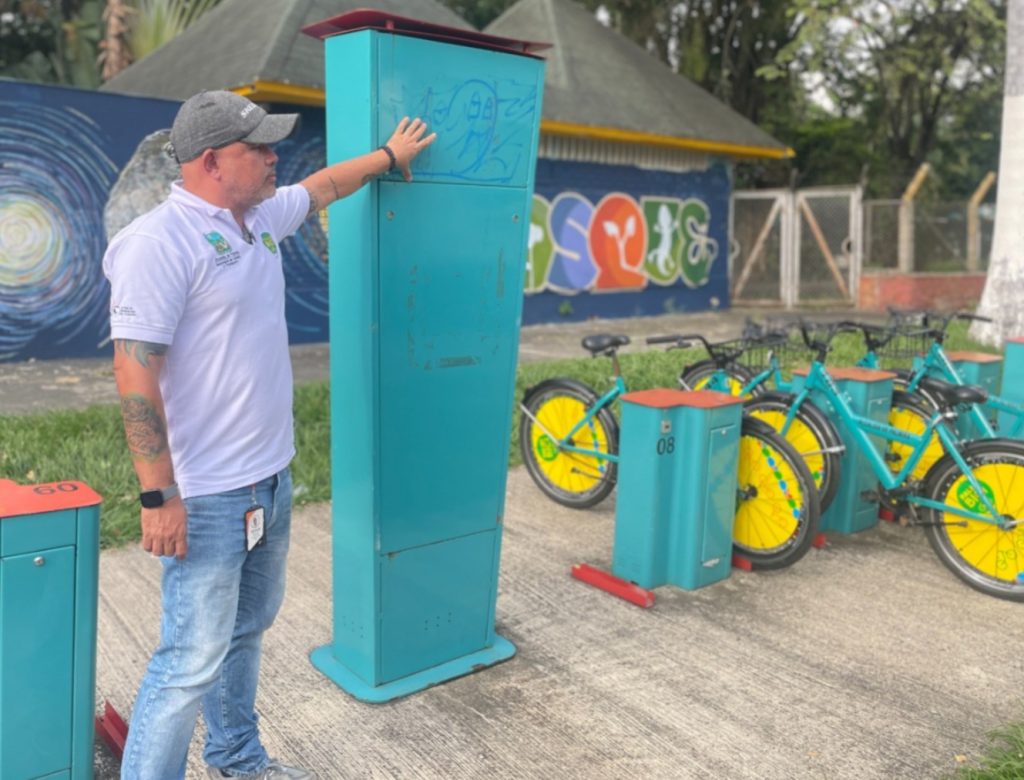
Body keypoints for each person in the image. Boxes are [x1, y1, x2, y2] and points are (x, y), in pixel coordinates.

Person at [103, 90, 435, 779]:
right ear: (213, 160)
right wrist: (157, 495)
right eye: (259, 147)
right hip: (208, 496)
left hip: (270, 483)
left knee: (246, 634)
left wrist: (388, 156)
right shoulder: (158, 244)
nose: (273, 156)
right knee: (188, 663)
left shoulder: (254, 219)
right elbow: (135, 374)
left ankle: (237, 758)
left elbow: (321, 188)